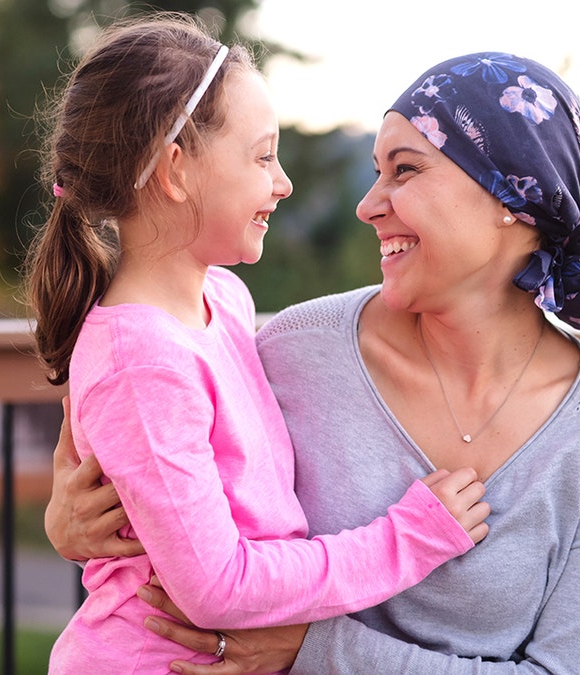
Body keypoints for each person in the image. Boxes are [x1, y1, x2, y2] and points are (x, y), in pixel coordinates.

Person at [46, 50, 580, 673]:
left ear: (510, 196)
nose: (366, 204)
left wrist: (315, 648)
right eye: (376, 170)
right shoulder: (293, 348)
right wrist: (70, 526)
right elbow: (172, 488)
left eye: (405, 169)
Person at [24, 16, 490, 674]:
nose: (283, 182)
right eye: (262, 155)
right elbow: (217, 584)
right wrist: (404, 539)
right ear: (175, 168)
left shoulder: (224, 301)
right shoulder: (141, 360)